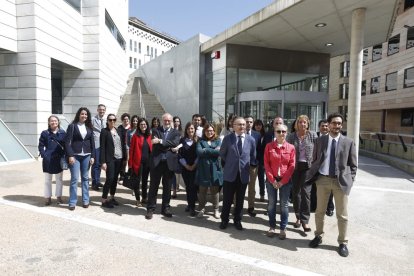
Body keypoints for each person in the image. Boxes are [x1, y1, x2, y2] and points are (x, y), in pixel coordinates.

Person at [307, 113, 357, 258]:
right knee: (319, 211)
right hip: (322, 180)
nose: (337, 126)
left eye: (339, 123)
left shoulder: (348, 142)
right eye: (334, 123)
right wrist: (315, 176)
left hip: (340, 182)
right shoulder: (320, 141)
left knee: (342, 215)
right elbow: (314, 159)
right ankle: (318, 236)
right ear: (328, 125)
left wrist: (350, 180)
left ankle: (343, 242)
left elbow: (353, 165)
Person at [219, 117, 256, 230]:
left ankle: (237, 220)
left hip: (243, 175)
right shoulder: (227, 138)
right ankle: (224, 220)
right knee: (227, 200)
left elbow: (253, 156)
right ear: (233, 126)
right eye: (239, 124)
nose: (242, 127)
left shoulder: (251, 140)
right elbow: (222, 154)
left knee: (240, 200)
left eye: (243, 125)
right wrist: (230, 164)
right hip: (230, 174)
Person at [145, 113, 181, 219]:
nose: (167, 122)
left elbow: (174, 143)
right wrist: (169, 146)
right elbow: (155, 145)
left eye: (169, 120)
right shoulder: (156, 130)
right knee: (153, 186)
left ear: (171, 121)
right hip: (157, 162)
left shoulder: (176, 132)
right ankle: (150, 208)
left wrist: (161, 141)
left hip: (169, 164)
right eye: (165, 120)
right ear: (162, 120)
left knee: (167, 187)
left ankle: (165, 208)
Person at [264, 124, 295, 239]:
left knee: (284, 205)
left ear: (287, 133)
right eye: (278, 131)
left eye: (283, 131)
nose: (281, 133)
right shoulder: (269, 146)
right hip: (271, 180)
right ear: (275, 132)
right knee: (271, 204)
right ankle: (272, 226)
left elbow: (292, 166)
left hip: (285, 180)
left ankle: (283, 228)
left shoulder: (291, 148)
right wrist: (272, 180)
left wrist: (282, 181)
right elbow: (266, 164)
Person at [287, 115, 318, 232]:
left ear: (308, 124)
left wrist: (316, 166)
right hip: (295, 167)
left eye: (305, 122)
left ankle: (305, 221)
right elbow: (288, 151)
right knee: (296, 192)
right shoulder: (291, 136)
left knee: (306, 192)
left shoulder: (313, 135)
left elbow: (317, 150)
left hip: (308, 167)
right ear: (297, 124)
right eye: (300, 122)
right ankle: (298, 217)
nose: (302, 124)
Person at [65, 107, 95, 211]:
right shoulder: (72, 126)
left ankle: (86, 200)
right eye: (82, 114)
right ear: (79, 115)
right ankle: (72, 202)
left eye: (86, 114)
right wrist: (70, 155)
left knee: (85, 178)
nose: (84, 116)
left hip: (87, 155)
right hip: (75, 156)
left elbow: (93, 144)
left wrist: (93, 156)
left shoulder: (89, 128)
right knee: (74, 179)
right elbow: (67, 142)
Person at [195, 123, 223, 219]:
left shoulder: (218, 140)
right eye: (207, 131)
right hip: (203, 168)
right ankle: (202, 208)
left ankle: (216, 209)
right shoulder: (200, 141)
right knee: (202, 190)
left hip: (215, 168)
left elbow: (219, 152)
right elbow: (199, 152)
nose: (209, 132)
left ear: (214, 131)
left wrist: (206, 150)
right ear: (204, 132)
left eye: (211, 130)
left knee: (215, 190)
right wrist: (212, 150)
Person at [38, 115, 66, 206]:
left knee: (59, 179)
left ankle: (58, 196)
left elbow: (66, 145)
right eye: (52, 121)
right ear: (49, 122)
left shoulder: (62, 132)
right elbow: (41, 145)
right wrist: (44, 155)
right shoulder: (45, 133)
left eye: (55, 121)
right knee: (47, 179)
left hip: (58, 158)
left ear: (58, 122)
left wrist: (65, 156)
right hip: (48, 159)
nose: (54, 122)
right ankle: (48, 197)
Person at [100, 114, 126, 208]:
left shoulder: (118, 130)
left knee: (115, 179)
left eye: (114, 120)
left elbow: (122, 145)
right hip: (110, 159)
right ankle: (104, 199)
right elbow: (102, 147)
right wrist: (103, 162)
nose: (112, 121)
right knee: (110, 178)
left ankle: (112, 197)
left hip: (119, 158)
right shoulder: (104, 131)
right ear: (107, 121)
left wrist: (124, 158)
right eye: (110, 120)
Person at [312, 119, 335, 216]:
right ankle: (314, 206)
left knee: (329, 189)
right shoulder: (314, 137)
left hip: (329, 168)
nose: (324, 127)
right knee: (315, 188)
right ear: (319, 127)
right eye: (322, 126)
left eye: (326, 126)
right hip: (316, 167)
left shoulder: (332, 138)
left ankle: (329, 208)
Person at [129, 118, 152, 206]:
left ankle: (144, 198)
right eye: (141, 124)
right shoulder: (135, 136)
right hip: (137, 163)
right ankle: (138, 199)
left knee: (145, 181)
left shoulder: (149, 136)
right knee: (137, 181)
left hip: (147, 163)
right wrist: (130, 163)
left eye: (145, 124)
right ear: (139, 126)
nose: (143, 126)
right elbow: (131, 150)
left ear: (147, 125)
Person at [177, 122, 198, 216]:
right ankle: (189, 204)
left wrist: (193, 165)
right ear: (186, 130)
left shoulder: (198, 140)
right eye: (189, 128)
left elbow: (199, 155)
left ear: (195, 130)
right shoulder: (182, 141)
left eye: (192, 128)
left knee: (193, 187)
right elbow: (179, 154)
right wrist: (186, 165)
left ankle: (192, 207)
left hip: (195, 168)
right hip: (185, 168)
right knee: (188, 187)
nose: (191, 130)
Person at [244, 115, 261, 217]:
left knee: (252, 187)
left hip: (253, 165)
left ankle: (251, 207)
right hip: (241, 165)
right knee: (240, 186)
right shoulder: (238, 133)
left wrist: (257, 161)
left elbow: (259, 149)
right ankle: (237, 206)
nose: (248, 124)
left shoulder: (257, 135)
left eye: (250, 122)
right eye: (247, 122)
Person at [91, 104, 106, 191]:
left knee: (100, 164)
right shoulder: (93, 119)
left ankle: (98, 180)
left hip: (103, 145)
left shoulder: (105, 120)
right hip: (96, 145)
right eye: (100, 110)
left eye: (103, 110)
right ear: (97, 110)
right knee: (95, 164)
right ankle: (94, 183)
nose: (102, 111)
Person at [254, 119, 266, 202]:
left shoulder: (265, 135)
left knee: (261, 178)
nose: (258, 126)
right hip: (253, 159)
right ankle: (252, 195)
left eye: (260, 125)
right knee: (252, 180)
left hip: (262, 160)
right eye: (256, 125)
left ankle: (262, 194)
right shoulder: (251, 134)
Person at [171, 115, 183, 198]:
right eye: (175, 121)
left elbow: (183, 143)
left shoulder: (182, 132)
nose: (176, 122)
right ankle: (174, 190)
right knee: (173, 173)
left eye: (178, 121)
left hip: (180, 153)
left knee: (179, 172)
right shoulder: (171, 131)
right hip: (172, 153)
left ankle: (178, 185)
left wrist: (177, 148)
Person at [118, 113, 130, 179]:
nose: (126, 120)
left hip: (129, 147)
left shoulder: (131, 128)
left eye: (127, 119)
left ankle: (128, 175)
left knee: (129, 161)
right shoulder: (120, 127)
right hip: (121, 147)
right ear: (122, 120)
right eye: (124, 119)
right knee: (122, 162)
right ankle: (122, 175)